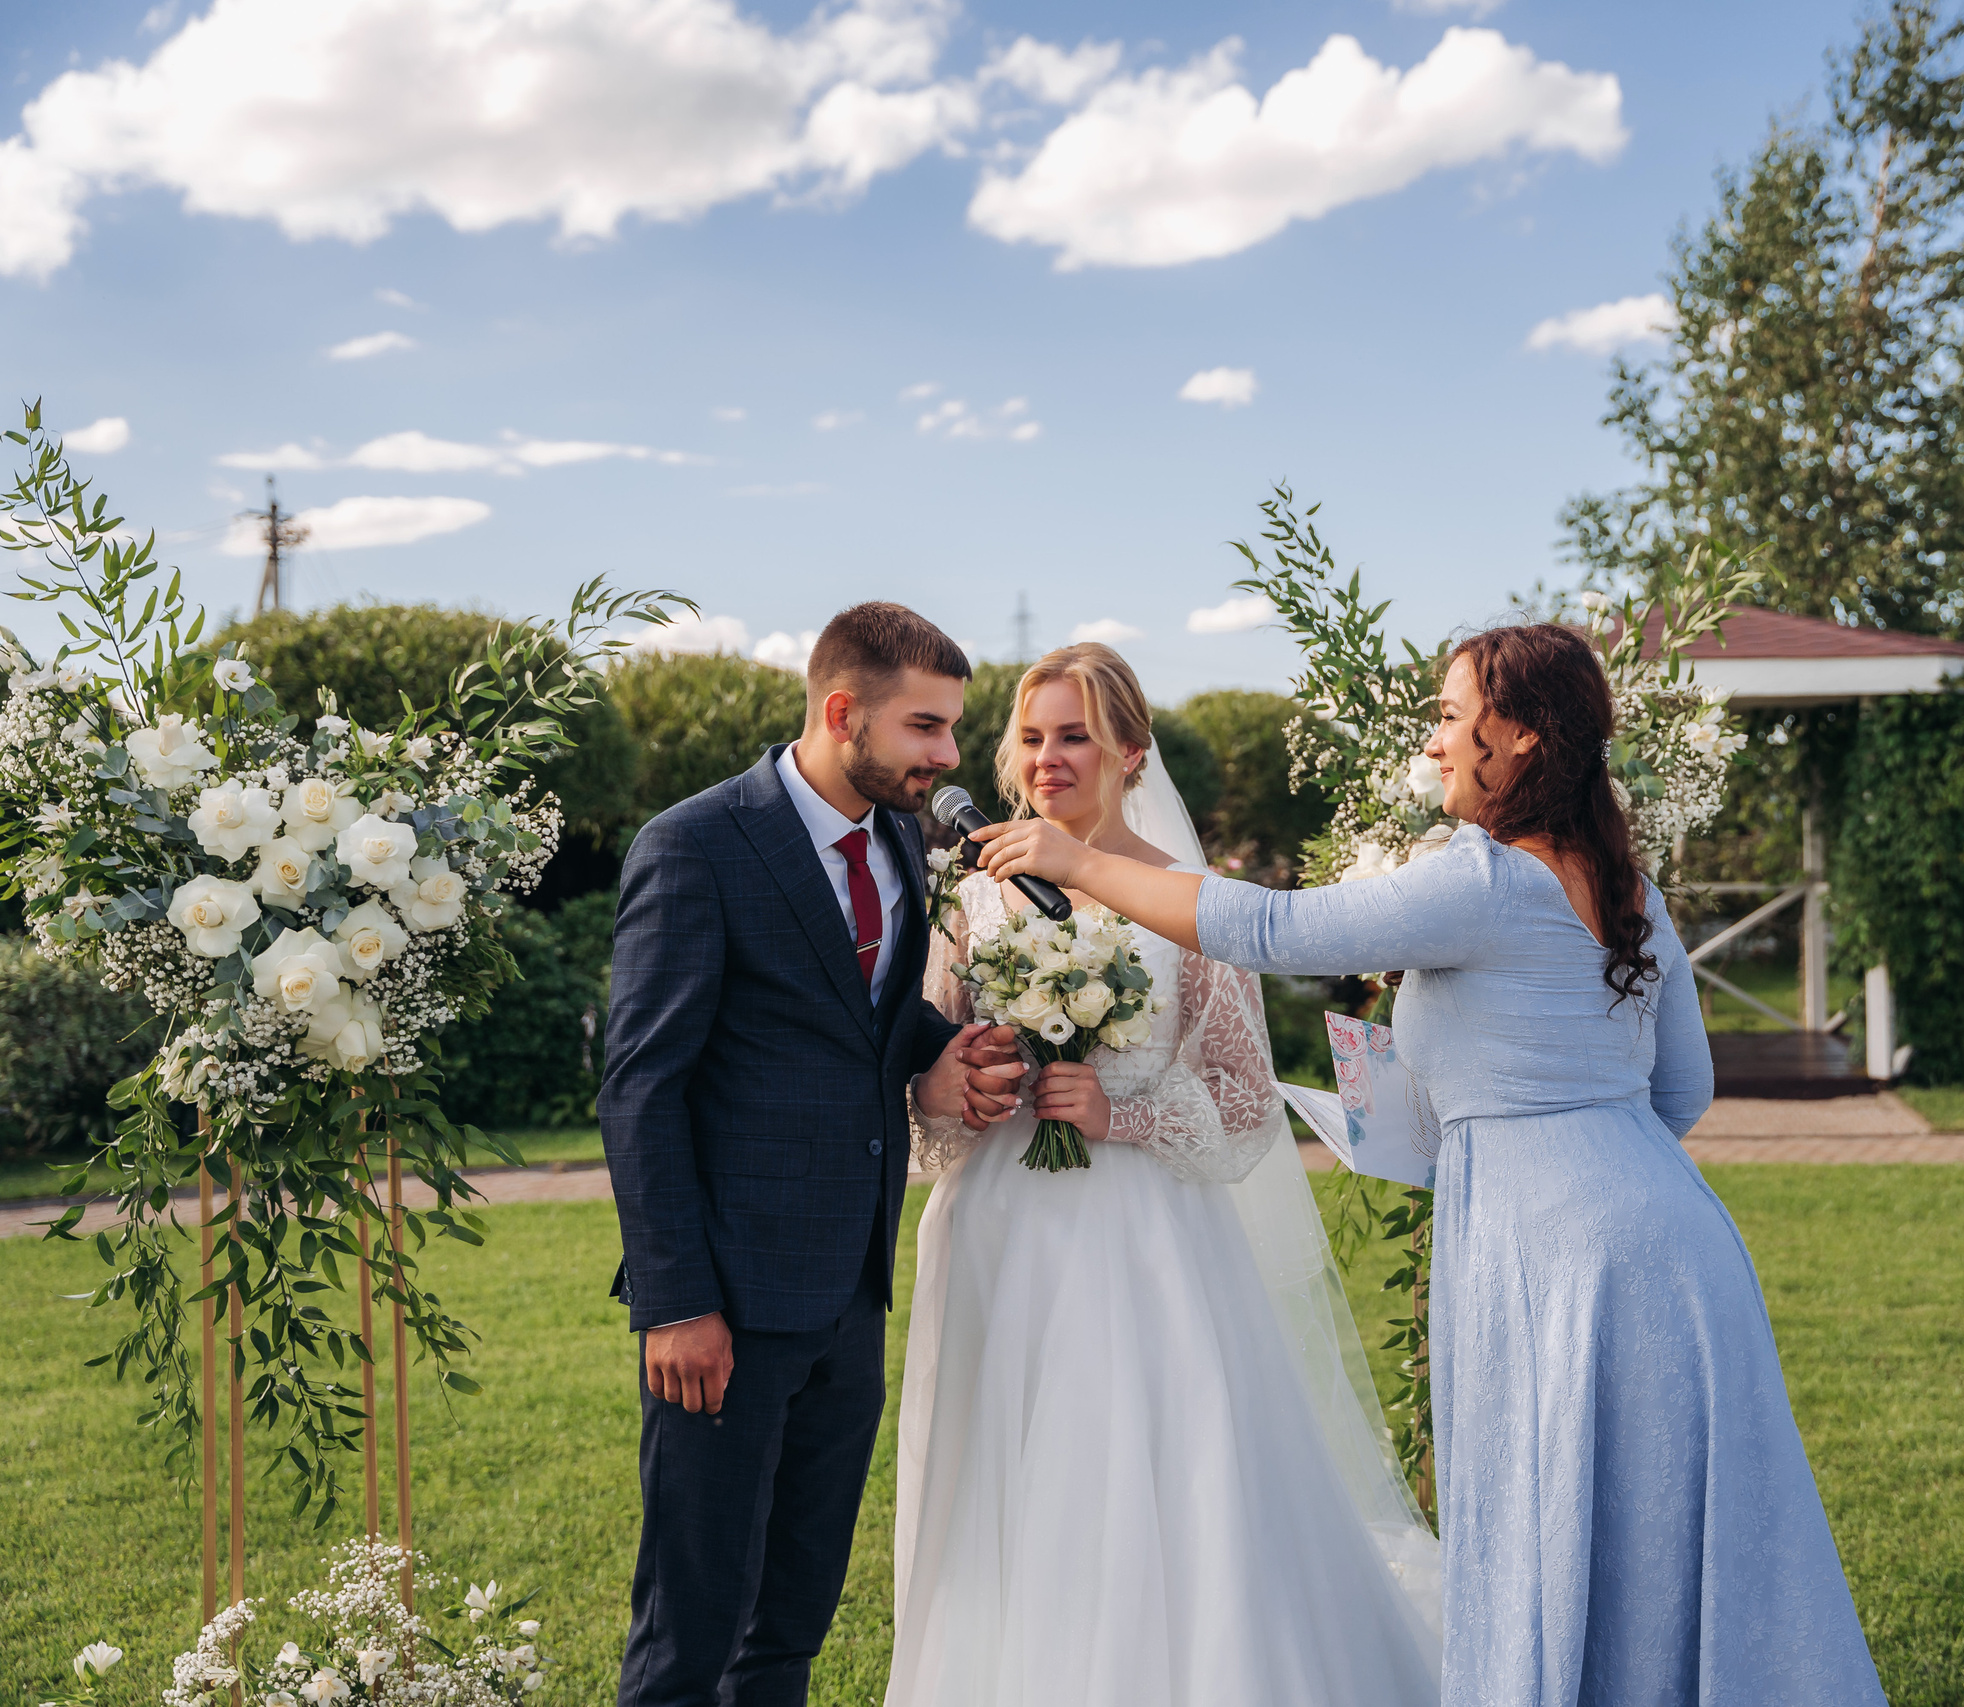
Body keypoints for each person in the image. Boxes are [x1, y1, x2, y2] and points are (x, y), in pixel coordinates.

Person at [977, 622, 1887, 1707]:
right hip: (1677, 1241)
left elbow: (1269, 928)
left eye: (1454, 717)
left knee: (1543, 1516)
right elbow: (1681, 1090)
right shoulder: (1626, 884)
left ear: (1526, 740)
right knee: (1674, 1544)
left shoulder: (1487, 882)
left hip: (1550, 1257)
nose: (1436, 739)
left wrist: (1081, 862)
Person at [889, 643, 1439, 1707]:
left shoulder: (1190, 904)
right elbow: (925, 1073)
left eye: (1076, 736)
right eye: (1035, 737)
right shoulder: (972, 899)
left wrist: (1119, 1112)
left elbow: (1243, 1103)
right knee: (1003, 1489)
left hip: (1140, 1247)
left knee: (1141, 1483)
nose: (1048, 760)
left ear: (1130, 753)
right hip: (996, 1235)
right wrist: (965, 1084)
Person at [602, 602, 1014, 1707]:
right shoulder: (693, 845)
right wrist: (676, 1301)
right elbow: (641, 1088)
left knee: (787, 1629)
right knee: (689, 1635)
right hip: (725, 1307)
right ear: (844, 713)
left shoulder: (895, 839)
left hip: (850, 1294)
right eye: (926, 728)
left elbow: (865, 1014)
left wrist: (943, 1046)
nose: (949, 755)